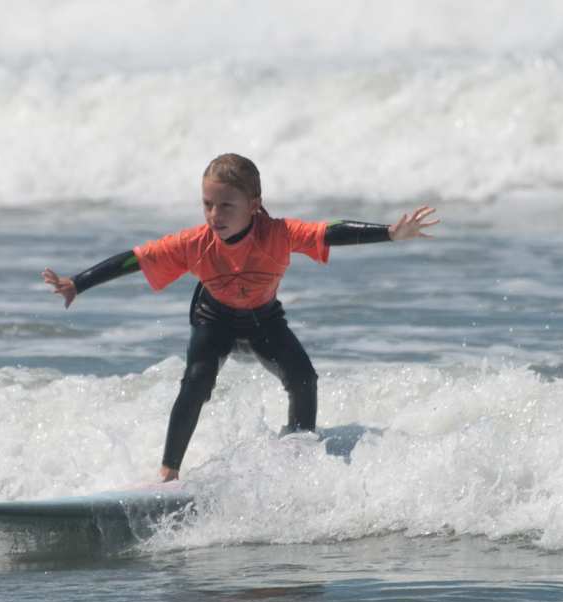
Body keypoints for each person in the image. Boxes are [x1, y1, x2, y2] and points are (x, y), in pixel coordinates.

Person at [42, 153, 438, 482]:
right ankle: (168, 472)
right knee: (196, 382)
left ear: (254, 204)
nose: (214, 214)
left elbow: (326, 231)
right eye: (207, 204)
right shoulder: (193, 243)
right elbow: (136, 258)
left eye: (226, 205)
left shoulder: (279, 234)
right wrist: (79, 282)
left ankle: (298, 458)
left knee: (304, 379)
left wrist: (389, 232)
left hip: (264, 321)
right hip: (213, 320)